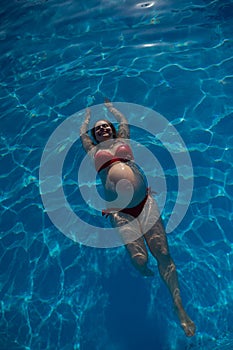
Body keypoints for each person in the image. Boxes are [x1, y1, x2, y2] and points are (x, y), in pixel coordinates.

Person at [80, 99, 196, 337]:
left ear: (111, 130)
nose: (103, 129)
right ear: (95, 134)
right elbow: (83, 133)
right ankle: (143, 269)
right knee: (140, 260)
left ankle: (179, 308)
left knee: (163, 253)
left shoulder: (123, 140)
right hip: (120, 211)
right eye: (98, 128)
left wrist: (112, 110)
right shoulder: (93, 151)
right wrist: (87, 117)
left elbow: (124, 121)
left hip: (145, 202)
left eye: (106, 126)